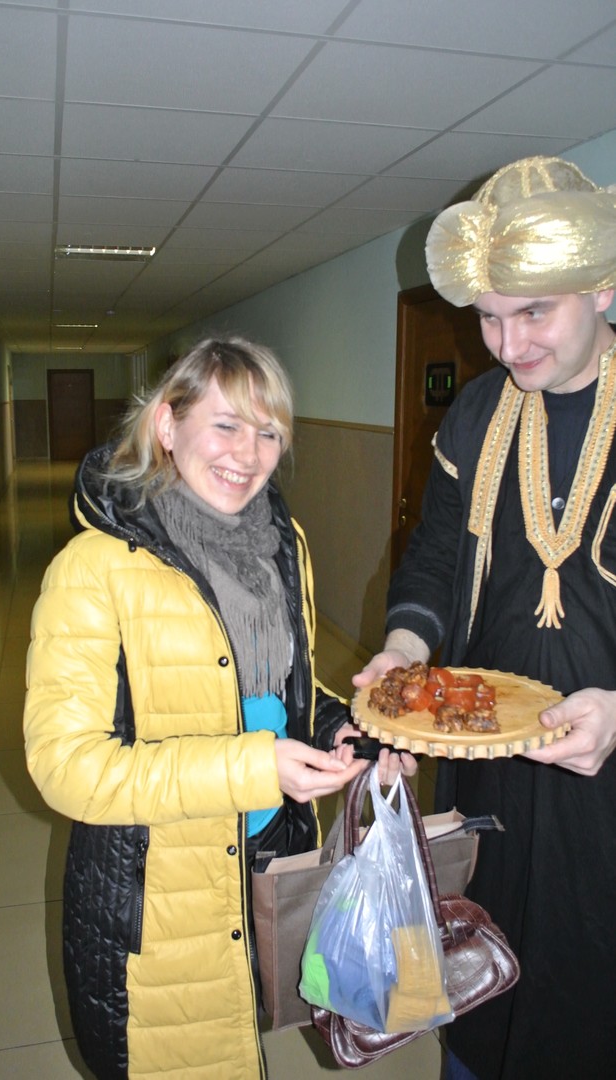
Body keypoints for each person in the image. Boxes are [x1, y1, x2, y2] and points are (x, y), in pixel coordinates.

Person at [23, 337, 411, 1080]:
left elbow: (284, 697)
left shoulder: (279, 547)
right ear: (167, 426)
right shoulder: (94, 569)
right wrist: (254, 768)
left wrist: (350, 735)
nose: (249, 454)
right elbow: (64, 766)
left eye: (269, 433)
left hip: (266, 858)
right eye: (226, 425)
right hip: (158, 899)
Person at [354, 155, 616, 1080]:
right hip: (487, 764)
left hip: (605, 786)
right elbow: (434, 552)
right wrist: (403, 648)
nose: (507, 345)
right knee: (480, 983)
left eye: (533, 313)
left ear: (603, 286)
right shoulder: (476, 413)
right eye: (490, 318)